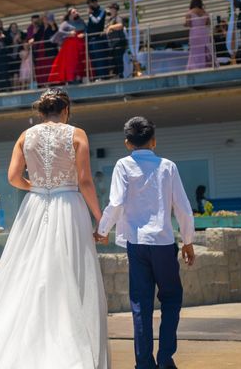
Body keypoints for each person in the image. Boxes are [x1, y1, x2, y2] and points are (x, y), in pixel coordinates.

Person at [0, 88, 109, 368]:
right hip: (68, 206)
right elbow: (85, 181)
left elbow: (13, 178)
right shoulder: (77, 134)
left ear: (41, 112)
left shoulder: (25, 137)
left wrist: (38, 187)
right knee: (70, 272)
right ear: (65, 110)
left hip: (34, 206)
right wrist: (100, 219)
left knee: (27, 269)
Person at [96, 116, 195, 369]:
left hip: (136, 243)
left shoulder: (122, 165)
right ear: (153, 141)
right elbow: (182, 207)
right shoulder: (168, 166)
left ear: (127, 143)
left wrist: (103, 229)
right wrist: (188, 241)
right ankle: (165, 358)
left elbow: (116, 202)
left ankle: (143, 363)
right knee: (171, 298)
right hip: (163, 242)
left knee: (140, 304)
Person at [48, 7, 88, 84]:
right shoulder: (65, 23)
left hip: (80, 45)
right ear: (69, 14)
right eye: (74, 12)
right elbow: (60, 32)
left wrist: (84, 34)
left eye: (76, 11)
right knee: (71, 62)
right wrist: (68, 34)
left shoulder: (81, 21)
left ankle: (79, 77)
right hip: (70, 46)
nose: (76, 12)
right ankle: (71, 79)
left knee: (80, 62)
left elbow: (86, 29)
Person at [184, 0, 212, 70]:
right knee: (205, 49)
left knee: (195, 51)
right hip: (204, 33)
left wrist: (184, 24)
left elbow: (188, 24)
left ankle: (196, 67)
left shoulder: (189, 13)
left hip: (194, 33)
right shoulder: (205, 12)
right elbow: (208, 23)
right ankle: (206, 66)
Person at [86, 0, 110, 80]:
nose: (89, 5)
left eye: (90, 3)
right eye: (88, 4)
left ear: (95, 2)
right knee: (93, 59)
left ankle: (102, 76)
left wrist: (90, 15)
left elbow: (97, 21)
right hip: (91, 40)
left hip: (98, 39)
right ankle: (97, 77)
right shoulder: (92, 13)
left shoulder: (102, 11)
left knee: (100, 58)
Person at [105, 3, 127, 78]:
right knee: (113, 60)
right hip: (113, 44)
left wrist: (111, 27)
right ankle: (116, 75)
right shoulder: (110, 19)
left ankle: (121, 75)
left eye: (110, 8)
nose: (109, 10)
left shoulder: (118, 18)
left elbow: (120, 25)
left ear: (114, 9)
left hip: (118, 42)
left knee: (118, 60)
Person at [25, 15, 45, 87]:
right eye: (34, 22)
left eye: (37, 21)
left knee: (43, 67)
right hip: (34, 51)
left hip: (42, 50)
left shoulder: (42, 27)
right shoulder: (30, 28)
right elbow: (28, 38)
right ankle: (39, 84)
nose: (35, 23)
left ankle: (44, 83)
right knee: (36, 68)